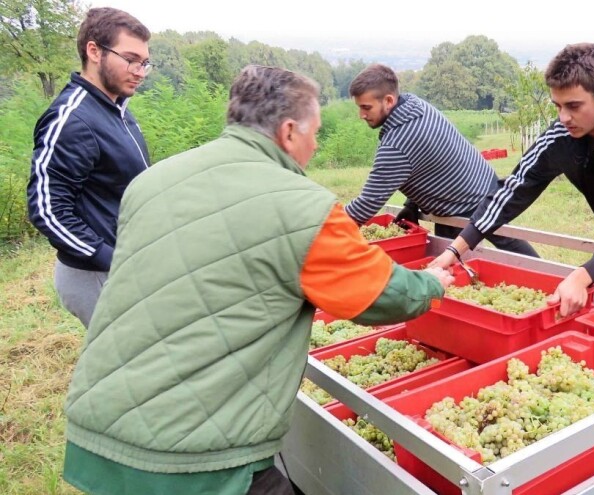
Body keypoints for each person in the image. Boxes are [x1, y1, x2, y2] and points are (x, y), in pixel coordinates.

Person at [61, 65, 454, 495]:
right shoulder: (303, 207)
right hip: (191, 456)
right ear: (288, 132)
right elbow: (384, 296)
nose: (316, 145)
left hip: (98, 428)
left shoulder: (149, 183)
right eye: (315, 133)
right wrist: (433, 282)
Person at [431, 43, 594, 317]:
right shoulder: (562, 135)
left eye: (574, 106)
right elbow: (515, 188)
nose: (564, 117)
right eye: (558, 106)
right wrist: (456, 250)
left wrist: (582, 276)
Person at [26, 7, 152, 328]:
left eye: (145, 63)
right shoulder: (73, 119)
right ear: (94, 51)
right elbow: (47, 209)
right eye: (130, 59)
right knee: (126, 365)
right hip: (95, 275)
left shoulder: (117, 109)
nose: (139, 71)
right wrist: (108, 258)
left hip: (124, 264)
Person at [344, 63, 539, 257]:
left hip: (462, 203)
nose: (361, 115)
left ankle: (552, 280)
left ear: (388, 100)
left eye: (366, 107)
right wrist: (411, 205)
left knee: (497, 252)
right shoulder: (414, 105)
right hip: (482, 181)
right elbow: (426, 162)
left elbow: (366, 204)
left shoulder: (395, 144)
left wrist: (327, 228)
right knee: (497, 246)